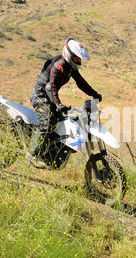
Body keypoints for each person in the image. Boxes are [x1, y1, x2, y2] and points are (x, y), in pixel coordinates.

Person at [26, 37, 102, 168]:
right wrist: (58, 104)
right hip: (40, 94)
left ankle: (49, 155)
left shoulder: (70, 67)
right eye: (77, 58)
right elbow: (51, 87)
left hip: (50, 97)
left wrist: (93, 93)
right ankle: (32, 154)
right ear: (69, 55)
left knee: (62, 126)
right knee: (48, 122)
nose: (79, 61)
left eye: (79, 58)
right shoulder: (59, 65)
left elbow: (81, 83)